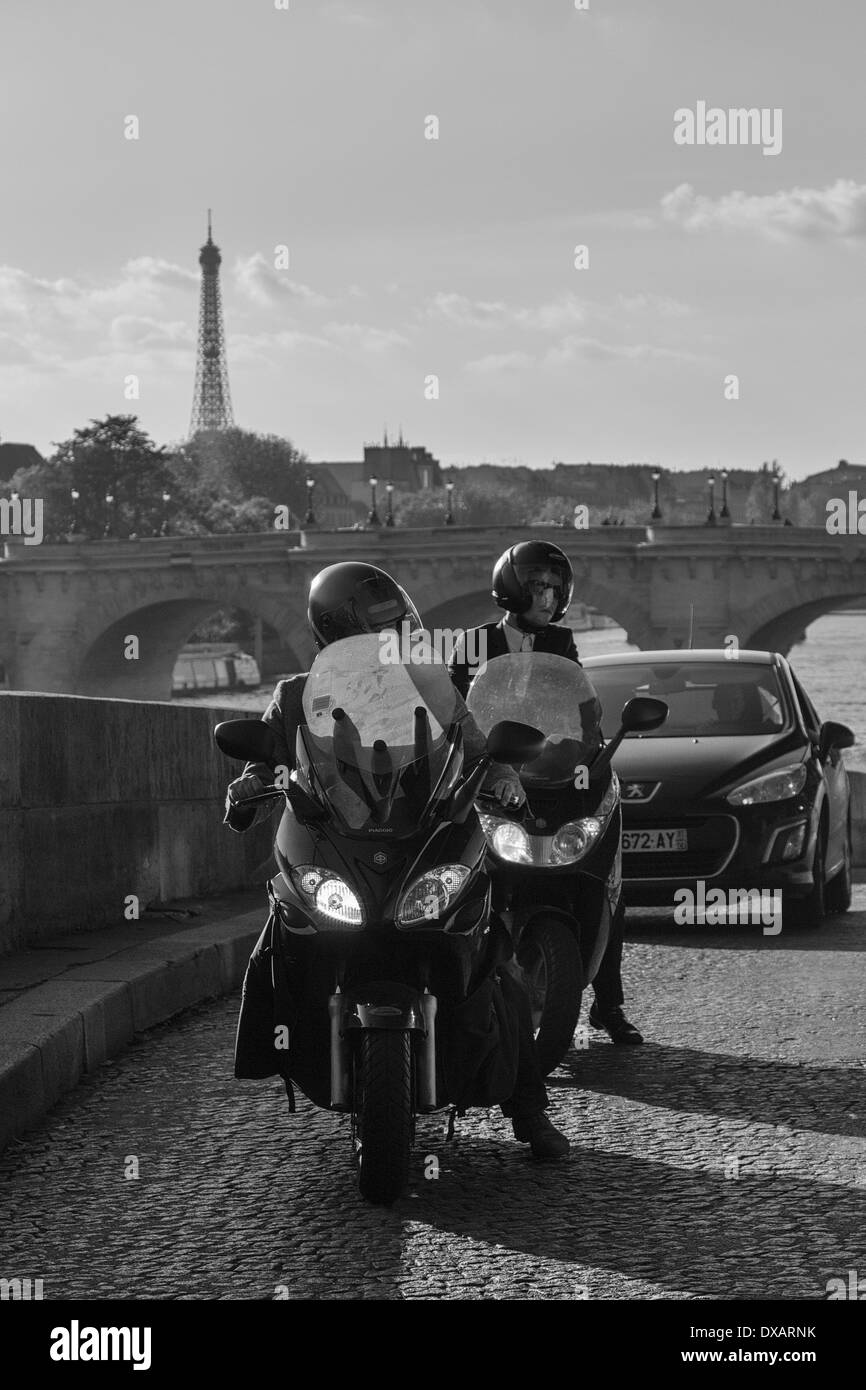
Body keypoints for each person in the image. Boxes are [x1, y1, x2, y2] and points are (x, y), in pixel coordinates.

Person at [224, 561, 570, 1159]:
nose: (388, 641)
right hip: (337, 838)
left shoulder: (427, 685)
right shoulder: (294, 696)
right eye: (373, 631)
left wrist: (505, 776)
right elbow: (271, 757)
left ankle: (528, 1109)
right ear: (335, 635)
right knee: (276, 937)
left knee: (494, 958)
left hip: (425, 835)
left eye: (394, 628)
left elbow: (475, 741)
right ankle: (270, 1042)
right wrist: (251, 786)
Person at [448, 540, 644, 1046]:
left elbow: (579, 710)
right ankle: (456, 993)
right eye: (538, 587)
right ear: (512, 590)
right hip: (492, 779)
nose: (549, 599)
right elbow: (454, 714)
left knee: (606, 881)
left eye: (555, 590)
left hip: (553, 777)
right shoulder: (472, 643)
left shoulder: (562, 643)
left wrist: (587, 750)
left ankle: (608, 1003)